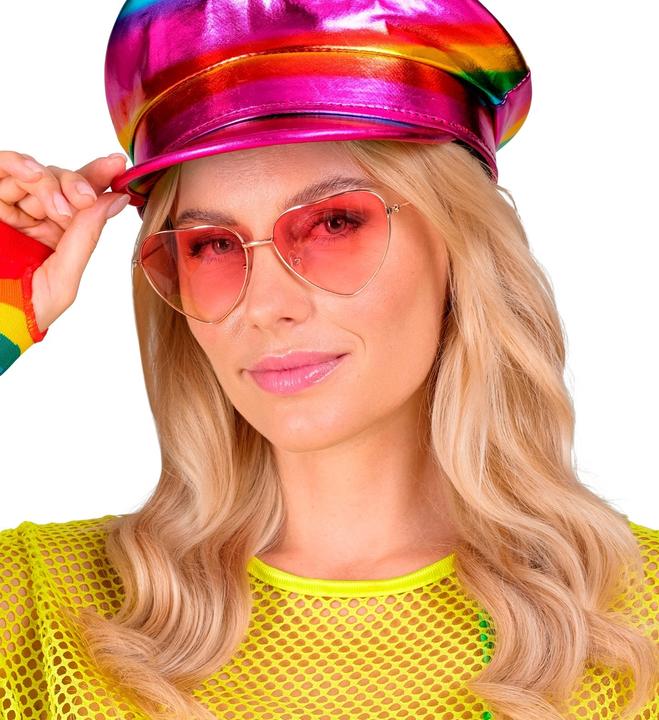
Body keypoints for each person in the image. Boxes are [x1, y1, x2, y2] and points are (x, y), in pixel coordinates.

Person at [0, 2, 657, 720]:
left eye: (333, 223)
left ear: (459, 249)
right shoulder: (39, 610)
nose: (265, 304)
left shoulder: (637, 620)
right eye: (213, 244)